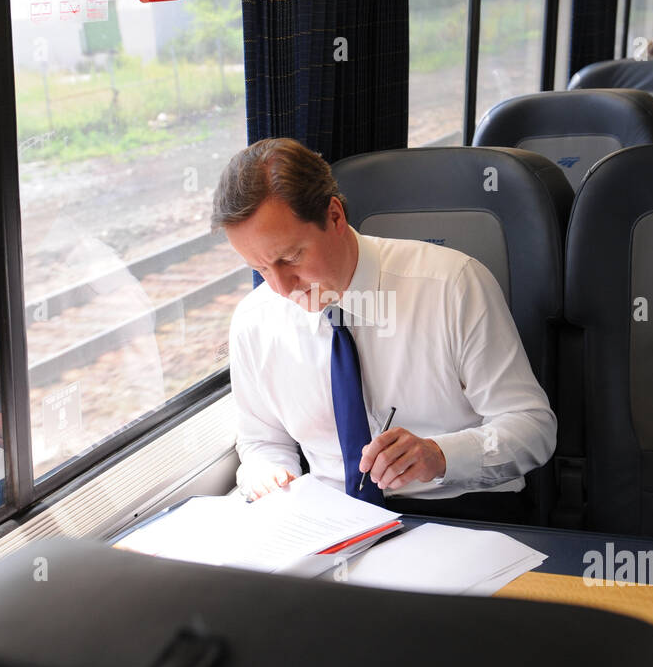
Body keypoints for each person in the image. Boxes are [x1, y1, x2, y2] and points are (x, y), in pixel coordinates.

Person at [213, 137, 557, 522]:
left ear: (335, 217)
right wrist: (266, 473)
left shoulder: (451, 284)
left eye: (291, 257)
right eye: (259, 268)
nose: (281, 287)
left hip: (459, 510)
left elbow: (534, 430)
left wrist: (442, 455)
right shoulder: (254, 320)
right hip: (332, 520)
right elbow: (262, 441)